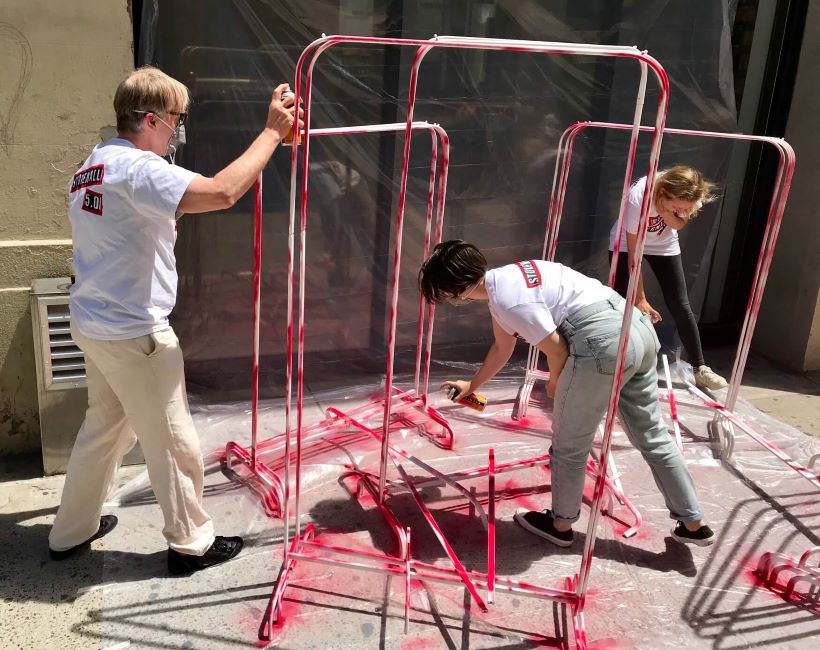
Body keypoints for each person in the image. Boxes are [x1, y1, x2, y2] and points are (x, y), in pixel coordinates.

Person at [48, 66, 302, 575]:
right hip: (135, 332)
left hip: (96, 323)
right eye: (176, 119)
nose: (179, 130)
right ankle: (191, 545)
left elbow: (140, 219)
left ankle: (69, 531)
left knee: (104, 429)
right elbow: (223, 192)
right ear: (151, 119)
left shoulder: (94, 164)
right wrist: (272, 133)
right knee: (172, 440)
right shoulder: (140, 169)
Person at [418, 240, 715, 548]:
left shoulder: (507, 301)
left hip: (603, 342)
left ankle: (560, 525)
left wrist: (555, 382)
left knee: (569, 445)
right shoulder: (508, 279)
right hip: (636, 329)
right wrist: (473, 386)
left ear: (455, 289)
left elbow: (557, 349)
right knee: (652, 435)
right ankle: (693, 523)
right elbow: (502, 347)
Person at [608, 166, 728, 391]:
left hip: (664, 244)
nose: (681, 210)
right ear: (662, 192)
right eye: (677, 207)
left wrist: (667, 213)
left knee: (680, 303)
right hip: (627, 244)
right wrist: (640, 298)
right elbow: (634, 253)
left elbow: (678, 224)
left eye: (685, 208)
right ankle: (614, 365)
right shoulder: (639, 195)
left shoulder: (690, 193)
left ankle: (700, 368)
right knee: (623, 304)